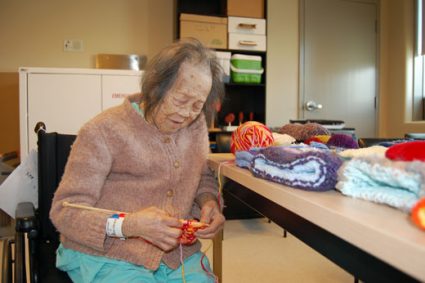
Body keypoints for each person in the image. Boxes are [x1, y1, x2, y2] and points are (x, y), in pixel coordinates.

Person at [50, 38, 226, 283]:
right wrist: (129, 225)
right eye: (180, 100)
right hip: (108, 254)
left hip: (177, 257)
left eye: (197, 105)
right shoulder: (102, 131)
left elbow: (202, 175)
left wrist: (209, 203)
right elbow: (64, 212)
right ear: (155, 87)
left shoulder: (195, 127)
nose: (187, 114)